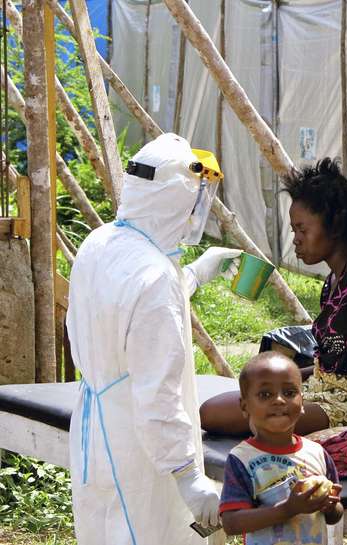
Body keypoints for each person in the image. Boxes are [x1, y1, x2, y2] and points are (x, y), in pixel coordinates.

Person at [66, 133, 242, 544]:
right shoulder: (156, 280)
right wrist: (188, 478)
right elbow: (157, 396)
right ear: (176, 201)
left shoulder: (101, 241)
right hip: (140, 449)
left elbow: (120, 309)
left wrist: (194, 273)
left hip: (95, 428)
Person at [201, 158, 347, 442]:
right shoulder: (331, 283)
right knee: (212, 411)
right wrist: (278, 379)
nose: (296, 239)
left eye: (303, 229)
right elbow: (330, 363)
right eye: (294, 230)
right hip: (323, 388)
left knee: (264, 421)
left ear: (335, 223)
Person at [219, 352, 343, 543]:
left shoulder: (317, 452)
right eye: (265, 394)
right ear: (245, 407)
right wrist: (287, 509)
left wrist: (330, 506)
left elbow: (335, 515)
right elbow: (232, 522)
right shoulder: (242, 459)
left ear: (302, 403)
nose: (279, 400)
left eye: (289, 393)